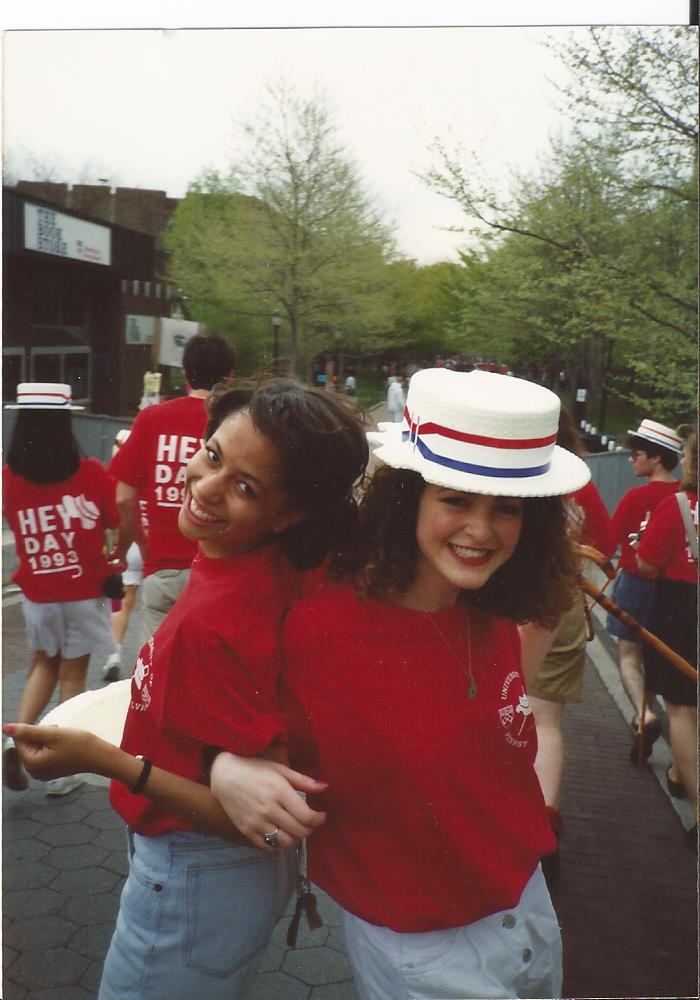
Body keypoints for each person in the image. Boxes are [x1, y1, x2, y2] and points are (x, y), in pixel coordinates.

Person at [210, 368, 590, 999]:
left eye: (508, 508)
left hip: (527, 909)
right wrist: (221, 764)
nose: (481, 530)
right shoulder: (318, 624)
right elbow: (184, 700)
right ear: (408, 497)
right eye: (456, 500)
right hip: (421, 948)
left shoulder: (492, 610)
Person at [6, 376, 368, 1000]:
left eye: (245, 487)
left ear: (290, 514)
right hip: (211, 874)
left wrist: (101, 759)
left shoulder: (225, 618)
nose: (205, 486)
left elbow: (256, 818)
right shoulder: (253, 559)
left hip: (199, 867)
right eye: (213, 454)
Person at [2, 382, 120, 796]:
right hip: (83, 591)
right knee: (73, 675)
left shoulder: (8, 479)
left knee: (42, 665)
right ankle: (62, 771)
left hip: (37, 595)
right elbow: (112, 520)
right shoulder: (92, 473)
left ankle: (15, 740)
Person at [525, 407, 615, 877]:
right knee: (546, 721)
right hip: (559, 601)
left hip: (499, 600)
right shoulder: (579, 482)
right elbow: (607, 541)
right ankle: (544, 825)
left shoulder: (511, 471)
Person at [109, 332, 235, 640]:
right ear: (230, 376)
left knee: (157, 663)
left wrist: (141, 544)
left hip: (163, 569)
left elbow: (123, 499)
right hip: (220, 571)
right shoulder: (237, 425)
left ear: (186, 373)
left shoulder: (152, 418)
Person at [606, 418, 682, 762]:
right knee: (661, 659)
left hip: (635, 584)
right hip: (673, 589)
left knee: (629, 656)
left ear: (655, 458)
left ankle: (644, 715)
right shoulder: (684, 498)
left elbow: (608, 540)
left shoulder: (636, 497)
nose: (630, 460)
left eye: (636, 454)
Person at [636, 423, 697, 847]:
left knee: (680, 708)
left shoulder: (676, 505)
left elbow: (645, 563)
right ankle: (678, 772)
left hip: (680, 609)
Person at [101, 430, 145, 683]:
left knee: (122, 604)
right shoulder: (151, 472)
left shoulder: (116, 478)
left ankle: (114, 655)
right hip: (154, 543)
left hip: (128, 546)